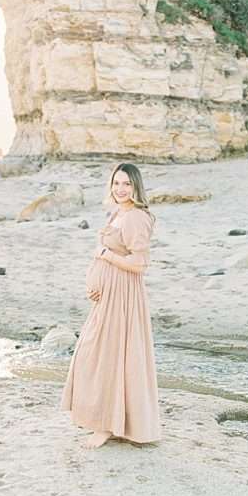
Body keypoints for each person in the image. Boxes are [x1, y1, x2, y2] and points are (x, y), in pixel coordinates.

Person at [59, 162, 160, 449]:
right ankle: (110, 421)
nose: (120, 189)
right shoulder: (119, 212)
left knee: (105, 355)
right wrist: (96, 280)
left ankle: (106, 426)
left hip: (124, 296)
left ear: (136, 187)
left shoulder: (136, 218)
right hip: (109, 295)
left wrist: (105, 256)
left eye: (126, 184)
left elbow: (139, 264)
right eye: (116, 183)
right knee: (101, 354)